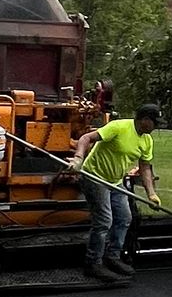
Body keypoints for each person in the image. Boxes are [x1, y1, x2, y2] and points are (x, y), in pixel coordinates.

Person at [69, 103, 162, 284]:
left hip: (115, 181)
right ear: (144, 120)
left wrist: (151, 194)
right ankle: (93, 263)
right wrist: (79, 159)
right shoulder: (118, 127)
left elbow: (145, 167)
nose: (156, 127)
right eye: (155, 123)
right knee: (104, 221)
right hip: (95, 177)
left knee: (124, 218)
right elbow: (86, 138)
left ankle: (112, 257)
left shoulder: (147, 140)